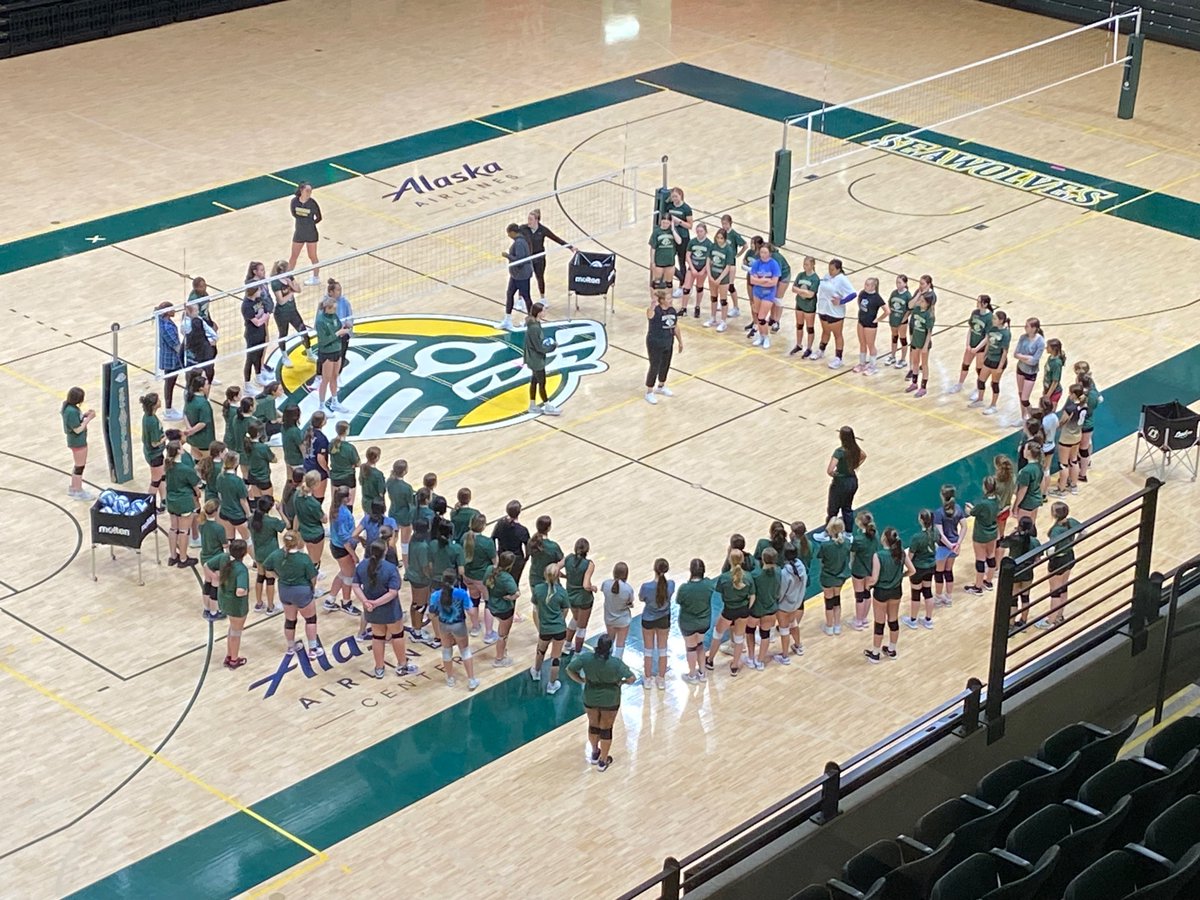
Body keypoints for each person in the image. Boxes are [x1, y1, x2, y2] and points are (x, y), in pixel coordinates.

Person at [566, 635, 636, 771]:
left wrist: (580, 680)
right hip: (610, 699)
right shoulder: (616, 663)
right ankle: (603, 761)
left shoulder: (586, 658)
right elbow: (631, 678)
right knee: (606, 729)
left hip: (590, 696)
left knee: (593, 725)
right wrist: (621, 682)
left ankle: (594, 752)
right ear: (610, 648)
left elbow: (569, 669)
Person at [354, 539, 419, 678]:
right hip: (390, 609)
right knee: (397, 636)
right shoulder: (390, 568)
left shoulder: (361, 566)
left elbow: (355, 586)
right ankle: (402, 665)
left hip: (371, 610)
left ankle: (379, 668)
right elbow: (393, 592)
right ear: (385, 552)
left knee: (377, 637)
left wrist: (366, 602)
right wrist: (376, 603)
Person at [264, 530, 324, 660]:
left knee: (290, 620)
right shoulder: (303, 559)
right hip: (302, 591)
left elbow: (267, 567)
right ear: (298, 542)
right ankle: (313, 649)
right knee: (310, 619)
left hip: (284, 590)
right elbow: (313, 577)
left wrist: (278, 577)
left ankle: (290, 647)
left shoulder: (276, 555)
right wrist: (312, 589)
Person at [865, 527, 914, 662]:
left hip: (881, 592)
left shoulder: (878, 555)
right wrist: (901, 576)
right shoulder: (901, 553)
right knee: (893, 620)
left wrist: (867, 585)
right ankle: (892, 650)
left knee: (879, 623)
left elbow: (874, 579)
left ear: (884, 539)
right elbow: (912, 570)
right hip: (896, 591)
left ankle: (875, 653)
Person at [704, 549, 755, 676]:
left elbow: (720, 593)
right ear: (743, 560)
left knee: (717, 633)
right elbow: (752, 596)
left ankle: (710, 660)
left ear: (729, 560)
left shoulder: (724, 578)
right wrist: (747, 608)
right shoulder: (748, 576)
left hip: (728, 610)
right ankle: (735, 665)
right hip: (743, 611)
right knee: (739, 638)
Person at [429, 569, 479, 690]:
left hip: (443, 625)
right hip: (459, 625)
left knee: (446, 650)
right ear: (455, 580)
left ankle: (450, 678)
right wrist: (475, 623)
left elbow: (431, 615)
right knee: (465, 651)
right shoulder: (461, 593)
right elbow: (471, 611)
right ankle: (471, 680)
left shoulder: (435, 595)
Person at [207, 538, 250, 669]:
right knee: (236, 632)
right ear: (244, 553)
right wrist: (247, 590)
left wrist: (215, 578)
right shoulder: (241, 569)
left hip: (224, 599)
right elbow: (240, 591)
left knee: (232, 629)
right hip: (236, 605)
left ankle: (229, 655)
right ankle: (234, 660)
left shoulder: (223, 558)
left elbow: (207, 565)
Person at [1041, 501, 1082, 630]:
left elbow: (1052, 549)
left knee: (1055, 591)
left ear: (1054, 514)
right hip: (1069, 556)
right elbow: (1084, 531)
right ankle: (1059, 616)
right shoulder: (1072, 522)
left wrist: (1049, 556)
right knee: (1064, 587)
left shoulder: (1055, 531)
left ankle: (1050, 621)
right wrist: (1073, 543)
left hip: (1058, 561)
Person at [530, 563, 568, 694]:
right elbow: (565, 610)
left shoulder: (538, 589)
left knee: (541, 650)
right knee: (556, 657)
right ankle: (552, 685)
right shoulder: (562, 592)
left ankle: (536, 671)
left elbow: (535, 608)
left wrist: (540, 625)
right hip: (559, 629)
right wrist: (559, 622)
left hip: (545, 629)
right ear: (559, 576)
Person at [674, 559, 714, 681]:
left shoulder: (684, 588)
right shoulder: (708, 584)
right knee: (700, 645)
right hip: (704, 622)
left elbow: (678, 601)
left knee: (690, 648)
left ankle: (692, 674)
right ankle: (702, 673)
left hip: (688, 623)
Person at [519, 208, 570, 303]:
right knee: (524, 278)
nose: (528, 221)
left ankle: (543, 298)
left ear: (537, 220)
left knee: (540, 277)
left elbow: (557, 239)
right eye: (528, 219)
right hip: (528, 259)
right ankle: (520, 300)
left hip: (539, 258)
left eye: (531, 219)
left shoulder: (543, 230)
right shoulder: (523, 228)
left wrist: (571, 247)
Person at [164, 441, 201, 568]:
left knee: (173, 528)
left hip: (171, 501)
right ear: (179, 451)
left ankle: (173, 556)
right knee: (184, 531)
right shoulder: (186, 470)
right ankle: (183, 559)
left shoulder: (167, 465)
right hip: (184, 502)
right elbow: (196, 487)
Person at [638, 558, 674, 689]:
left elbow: (641, 598)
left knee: (648, 650)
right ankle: (661, 679)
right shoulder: (671, 584)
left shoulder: (646, 587)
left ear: (654, 569)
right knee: (663, 649)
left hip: (648, 619)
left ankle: (647, 679)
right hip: (664, 618)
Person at [815, 258, 857, 368]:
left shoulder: (842, 279)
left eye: (832, 269)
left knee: (837, 335)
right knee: (825, 331)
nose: (830, 271)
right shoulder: (827, 276)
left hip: (835, 311)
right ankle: (821, 350)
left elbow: (853, 294)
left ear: (838, 269)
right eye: (829, 269)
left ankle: (838, 358)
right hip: (823, 308)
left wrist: (841, 301)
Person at [463, 512, 498, 642]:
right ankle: (489, 633)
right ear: (483, 526)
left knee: (474, 600)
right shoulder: (487, 542)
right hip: (481, 577)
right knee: (489, 602)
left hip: (467, 575)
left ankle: (475, 627)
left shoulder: (464, 537)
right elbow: (495, 562)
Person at [964, 476, 1001, 596]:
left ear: (985, 487)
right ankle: (988, 582)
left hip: (981, 534)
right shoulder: (997, 499)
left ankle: (978, 587)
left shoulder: (982, 503)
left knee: (980, 560)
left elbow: (972, 513)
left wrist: (969, 509)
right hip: (993, 532)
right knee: (991, 556)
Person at [645, 287, 683, 404]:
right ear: (662, 300)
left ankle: (661, 386)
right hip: (655, 342)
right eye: (668, 298)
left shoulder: (672, 310)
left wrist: (680, 341)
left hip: (668, 341)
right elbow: (649, 315)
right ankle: (649, 392)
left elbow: (675, 326)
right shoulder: (656, 310)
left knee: (666, 364)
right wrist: (652, 304)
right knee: (654, 365)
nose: (671, 300)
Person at [269, 259, 311, 366]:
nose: (290, 270)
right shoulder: (275, 283)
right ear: (282, 271)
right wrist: (292, 291)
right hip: (281, 314)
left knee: (303, 331)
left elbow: (299, 289)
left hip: (293, 311)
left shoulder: (290, 277)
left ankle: (309, 354)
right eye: (288, 269)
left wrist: (291, 286)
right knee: (283, 334)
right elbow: (281, 301)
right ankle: (285, 357)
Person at [522, 302, 561, 415]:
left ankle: (532, 405)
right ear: (539, 313)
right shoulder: (535, 328)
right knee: (542, 383)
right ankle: (547, 406)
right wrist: (553, 347)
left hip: (533, 358)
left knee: (534, 381)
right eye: (544, 311)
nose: (545, 312)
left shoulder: (534, 324)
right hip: (536, 359)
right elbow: (539, 347)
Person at [1003, 516, 1040, 632]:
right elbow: (1037, 559)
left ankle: (1010, 624)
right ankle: (1023, 621)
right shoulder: (1035, 541)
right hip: (1028, 572)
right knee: (1025, 597)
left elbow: (1002, 544)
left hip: (1015, 572)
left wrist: (1013, 532)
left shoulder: (1015, 539)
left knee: (1013, 599)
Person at [315, 294, 351, 415]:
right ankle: (321, 405)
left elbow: (338, 329)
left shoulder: (334, 316)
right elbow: (323, 340)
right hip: (326, 353)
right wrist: (338, 333)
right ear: (327, 308)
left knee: (335, 376)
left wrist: (345, 328)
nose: (336, 311)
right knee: (326, 379)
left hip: (337, 350)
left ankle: (335, 401)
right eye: (334, 308)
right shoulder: (320, 321)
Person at [241, 262, 274, 395]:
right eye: (259, 289)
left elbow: (265, 311)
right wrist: (264, 317)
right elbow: (257, 322)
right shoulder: (246, 306)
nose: (261, 290)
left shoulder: (257, 300)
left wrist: (264, 316)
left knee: (259, 355)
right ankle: (247, 384)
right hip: (252, 334)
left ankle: (259, 376)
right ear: (254, 291)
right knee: (250, 358)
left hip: (260, 332)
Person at [248, 495, 284, 612]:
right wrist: (280, 511)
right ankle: (270, 607)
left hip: (258, 553)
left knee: (260, 577)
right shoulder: (272, 522)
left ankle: (259, 604)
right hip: (271, 554)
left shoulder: (252, 519)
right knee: (270, 580)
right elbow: (286, 525)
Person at [951, 295, 993, 394]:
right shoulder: (975, 313)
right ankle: (959, 384)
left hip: (981, 347)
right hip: (971, 345)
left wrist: (977, 348)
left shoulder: (990, 317)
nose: (977, 303)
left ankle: (979, 389)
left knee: (979, 369)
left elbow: (987, 337)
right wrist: (968, 344)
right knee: (965, 365)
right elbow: (971, 329)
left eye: (979, 302)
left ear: (985, 304)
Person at [827, 425, 865, 534]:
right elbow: (864, 456)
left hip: (840, 483)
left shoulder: (839, 452)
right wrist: (854, 466)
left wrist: (836, 474)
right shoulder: (855, 448)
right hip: (852, 481)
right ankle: (849, 533)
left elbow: (829, 470)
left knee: (833, 510)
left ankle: (828, 532)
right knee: (847, 509)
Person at [484, 551, 520, 666]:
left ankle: (502, 651)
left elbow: (485, 582)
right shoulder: (507, 578)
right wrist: (508, 597)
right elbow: (516, 594)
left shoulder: (490, 569)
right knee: (503, 635)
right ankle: (499, 659)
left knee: (501, 631)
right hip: (504, 609)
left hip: (491, 604)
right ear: (510, 565)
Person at [904, 510, 938, 629]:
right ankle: (928, 619)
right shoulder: (935, 532)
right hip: (931, 566)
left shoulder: (917, 537)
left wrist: (906, 568)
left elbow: (910, 556)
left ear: (921, 520)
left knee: (916, 593)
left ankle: (913, 620)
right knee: (927, 591)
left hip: (918, 568)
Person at [817, 518, 852, 635]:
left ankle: (829, 626)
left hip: (827, 576)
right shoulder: (847, 543)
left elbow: (821, 561)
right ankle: (837, 626)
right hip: (840, 577)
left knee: (829, 602)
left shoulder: (825, 545)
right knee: (837, 600)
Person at [62, 386, 97, 500]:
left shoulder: (69, 407)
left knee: (78, 465)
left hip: (76, 441)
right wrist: (89, 419)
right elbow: (77, 429)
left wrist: (84, 415)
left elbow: (76, 421)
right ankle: (78, 490)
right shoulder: (71, 411)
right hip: (78, 442)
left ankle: (73, 487)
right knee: (79, 467)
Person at [933, 486, 966, 607]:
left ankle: (938, 597)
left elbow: (940, 534)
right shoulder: (958, 508)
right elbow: (964, 527)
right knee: (949, 571)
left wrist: (949, 545)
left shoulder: (938, 513)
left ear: (942, 496)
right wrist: (958, 543)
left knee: (939, 572)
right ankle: (949, 597)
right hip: (955, 546)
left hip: (943, 547)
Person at [405, 518, 437, 646]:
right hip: (420, 578)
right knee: (420, 606)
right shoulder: (423, 546)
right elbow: (425, 568)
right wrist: (431, 576)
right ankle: (417, 634)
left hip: (412, 574)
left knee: (415, 604)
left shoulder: (413, 538)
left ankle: (415, 628)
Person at [973, 309, 1011, 416]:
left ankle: (993, 406)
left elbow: (1005, 352)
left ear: (1001, 320)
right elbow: (988, 343)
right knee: (981, 380)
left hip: (998, 361)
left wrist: (1000, 367)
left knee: (994, 383)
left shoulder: (1006, 333)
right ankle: (980, 399)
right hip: (989, 359)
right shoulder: (992, 328)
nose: (993, 320)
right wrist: (984, 356)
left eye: (995, 318)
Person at [562, 538, 596, 655]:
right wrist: (593, 588)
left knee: (575, 619)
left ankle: (566, 645)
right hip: (583, 598)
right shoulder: (589, 564)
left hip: (570, 595)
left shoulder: (568, 558)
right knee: (582, 626)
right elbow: (586, 585)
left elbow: (555, 569)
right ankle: (577, 653)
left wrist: (565, 577)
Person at [748, 547, 780, 669]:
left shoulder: (755, 575)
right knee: (765, 634)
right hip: (770, 608)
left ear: (763, 559)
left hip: (756, 609)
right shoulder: (779, 572)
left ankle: (751, 658)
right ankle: (760, 661)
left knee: (750, 631)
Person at [1053, 383, 1087, 496]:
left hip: (1067, 437)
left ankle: (1061, 490)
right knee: (1074, 461)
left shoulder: (1070, 408)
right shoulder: (1085, 405)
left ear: (1073, 394)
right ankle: (1073, 485)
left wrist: (1056, 427)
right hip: (1077, 435)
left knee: (1063, 464)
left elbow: (1062, 421)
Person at [1012, 317, 1046, 427]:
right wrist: (1026, 357)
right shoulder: (1023, 337)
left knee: (1025, 398)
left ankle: (1034, 415)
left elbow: (1034, 361)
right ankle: (1023, 417)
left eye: (1027, 326)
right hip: (1020, 368)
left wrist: (1022, 357)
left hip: (1031, 372)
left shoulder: (1040, 342)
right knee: (1020, 394)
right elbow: (1016, 354)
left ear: (1034, 328)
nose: (1025, 327)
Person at [499, 222, 534, 331]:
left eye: (509, 233)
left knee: (526, 297)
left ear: (513, 232)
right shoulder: (520, 241)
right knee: (509, 294)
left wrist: (507, 255)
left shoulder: (519, 243)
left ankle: (531, 321)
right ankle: (507, 320)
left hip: (522, 275)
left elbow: (520, 260)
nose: (508, 236)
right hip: (515, 275)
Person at [776, 545, 807, 660]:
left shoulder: (785, 573)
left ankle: (784, 656)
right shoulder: (801, 566)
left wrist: (777, 602)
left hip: (785, 605)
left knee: (784, 629)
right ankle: (798, 645)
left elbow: (781, 591)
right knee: (793, 623)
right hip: (796, 603)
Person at [850, 511, 880, 630]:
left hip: (859, 569)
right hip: (871, 567)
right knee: (867, 594)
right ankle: (863, 618)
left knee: (859, 596)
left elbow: (852, 554)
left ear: (859, 522)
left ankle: (858, 621)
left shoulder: (858, 539)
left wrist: (851, 564)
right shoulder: (876, 534)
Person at [288, 182, 322, 285]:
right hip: (299, 233)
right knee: (294, 256)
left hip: (311, 233)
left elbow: (319, 217)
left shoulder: (312, 203)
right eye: (307, 191)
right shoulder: (294, 202)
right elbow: (294, 214)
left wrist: (311, 224)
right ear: (301, 190)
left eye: (310, 191)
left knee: (312, 256)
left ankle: (316, 278)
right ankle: (288, 277)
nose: (309, 193)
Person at [747, 242, 781, 349]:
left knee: (762, 317)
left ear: (770, 253)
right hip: (757, 293)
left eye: (765, 252)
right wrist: (765, 280)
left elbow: (774, 282)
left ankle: (766, 337)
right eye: (761, 252)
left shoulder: (774, 264)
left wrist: (759, 280)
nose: (763, 254)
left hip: (768, 294)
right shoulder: (756, 263)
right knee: (757, 315)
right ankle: (761, 336)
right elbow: (752, 280)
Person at [197, 499, 226, 617]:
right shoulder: (219, 528)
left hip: (204, 557)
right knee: (215, 583)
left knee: (207, 582)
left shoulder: (202, 525)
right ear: (215, 512)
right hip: (215, 558)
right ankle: (215, 611)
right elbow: (224, 545)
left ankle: (207, 608)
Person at [601, 561, 635, 663]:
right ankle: (617, 664)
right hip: (623, 620)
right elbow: (630, 602)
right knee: (620, 644)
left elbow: (606, 593)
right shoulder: (628, 588)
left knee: (609, 642)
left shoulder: (605, 584)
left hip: (609, 619)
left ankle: (606, 662)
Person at [155, 302, 184, 417]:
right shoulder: (166, 326)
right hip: (170, 359)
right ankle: (168, 409)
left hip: (171, 357)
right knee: (170, 383)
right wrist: (183, 354)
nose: (175, 311)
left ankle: (169, 408)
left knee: (170, 382)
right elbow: (175, 344)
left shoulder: (165, 322)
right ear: (167, 312)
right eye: (172, 309)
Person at [703, 227, 735, 332]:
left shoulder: (728, 249)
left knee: (723, 300)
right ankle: (713, 318)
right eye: (718, 237)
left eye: (721, 238)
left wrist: (720, 279)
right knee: (713, 297)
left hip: (723, 278)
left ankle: (723, 322)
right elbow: (708, 260)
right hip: (713, 275)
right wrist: (710, 275)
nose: (719, 240)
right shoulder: (713, 246)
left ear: (725, 239)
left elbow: (728, 267)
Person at [181, 299, 217, 392]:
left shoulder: (199, 320)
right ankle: (189, 393)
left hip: (201, 358)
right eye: (196, 311)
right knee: (191, 381)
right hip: (194, 360)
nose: (198, 312)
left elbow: (210, 331)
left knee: (206, 375)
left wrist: (213, 338)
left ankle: (204, 388)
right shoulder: (187, 324)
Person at [492, 500, 530, 586]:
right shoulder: (522, 530)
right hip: (516, 559)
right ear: (519, 512)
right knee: (514, 582)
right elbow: (528, 545)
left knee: (500, 579)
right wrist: (526, 558)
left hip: (502, 555)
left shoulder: (500, 523)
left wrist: (495, 553)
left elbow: (492, 538)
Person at [852, 277, 885, 374]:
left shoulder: (876, 298)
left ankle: (873, 366)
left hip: (870, 324)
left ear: (873, 286)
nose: (865, 286)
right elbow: (859, 301)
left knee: (870, 345)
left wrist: (878, 319)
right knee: (862, 343)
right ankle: (862, 364)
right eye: (865, 284)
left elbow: (887, 311)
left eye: (867, 285)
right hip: (861, 321)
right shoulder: (862, 293)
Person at [294, 470, 328, 567]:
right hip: (316, 533)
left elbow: (296, 514)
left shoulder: (296, 495)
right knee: (315, 561)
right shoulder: (314, 504)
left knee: (310, 556)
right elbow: (324, 520)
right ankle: (312, 577)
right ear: (316, 484)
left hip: (304, 532)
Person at [215, 450, 250, 541]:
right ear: (235, 463)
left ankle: (230, 555)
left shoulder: (220, 476)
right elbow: (243, 501)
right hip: (237, 515)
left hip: (224, 512)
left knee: (230, 540)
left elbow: (220, 495)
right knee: (248, 540)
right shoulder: (238, 481)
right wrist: (249, 514)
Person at [904, 289, 933, 397]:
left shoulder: (929, 315)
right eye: (920, 300)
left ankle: (923, 387)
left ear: (927, 303)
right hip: (916, 339)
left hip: (924, 342)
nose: (920, 302)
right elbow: (910, 307)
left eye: (922, 301)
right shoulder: (916, 310)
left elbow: (929, 332)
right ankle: (914, 383)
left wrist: (925, 346)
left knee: (924, 365)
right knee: (915, 362)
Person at [140, 392, 167, 509]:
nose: (160, 401)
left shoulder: (147, 416)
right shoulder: (152, 421)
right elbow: (154, 443)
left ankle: (164, 500)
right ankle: (149, 506)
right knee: (155, 481)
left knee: (162, 476)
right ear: (154, 405)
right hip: (155, 454)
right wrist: (167, 437)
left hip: (152, 453)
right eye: (158, 400)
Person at [665, 187, 693, 293]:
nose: (674, 198)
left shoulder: (686, 208)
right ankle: (682, 279)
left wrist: (679, 222)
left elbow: (690, 225)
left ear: (681, 195)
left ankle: (683, 286)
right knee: (669, 260)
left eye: (676, 196)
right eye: (672, 197)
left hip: (683, 237)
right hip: (672, 236)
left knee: (682, 261)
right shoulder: (669, 206)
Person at [790, 255, 820, 357]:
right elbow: (793, 288)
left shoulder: (815, 279)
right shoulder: (800, 275)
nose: (805, 266)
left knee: (809, 327)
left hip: (809, 306)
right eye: (804, 264)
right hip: (799, 303)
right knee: (799, 325)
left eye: (807, 264)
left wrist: (800, 291)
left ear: (812, 265)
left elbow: (811, 294)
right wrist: (804, 292)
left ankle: (809, 348)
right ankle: (798, 344)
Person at [386, 459, 415, 562]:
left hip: (393, 512)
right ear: (404, 471)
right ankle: (407, 566)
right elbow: (410, 504)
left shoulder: (389, 482)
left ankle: (394, 561)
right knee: (405, 543)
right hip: (405, 516)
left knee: (393, 539)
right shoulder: (407, 488)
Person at [682, 221, 712, 317]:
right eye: (698, 231)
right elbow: (688, 255)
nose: (699, 233)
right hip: (692, 268)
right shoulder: (692, 242)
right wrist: (692, 268)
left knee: (699, 287)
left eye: (701, 231)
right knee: (686, 288)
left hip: (702, 269)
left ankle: (697, 307)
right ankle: (684, 308)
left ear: (705, 232)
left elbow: (709, 260)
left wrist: (703, 270)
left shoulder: (709, 244)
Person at [719, 214, 747, 316]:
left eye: (725, 224)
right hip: (722, 263)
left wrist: (738, 254)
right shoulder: (722, 233)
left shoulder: (734, 234)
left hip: (731, 264)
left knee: (730, 286)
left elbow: (745, 245)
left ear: (730, 223)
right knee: (721, 284)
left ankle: (736, 308)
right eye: (722, 224)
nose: (724, 226)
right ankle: (722, 300)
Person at [327, 420, 360, 508]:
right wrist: (352, 465)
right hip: (348, 477)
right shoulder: (350, 448)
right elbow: (358, 463)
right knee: (349, 504)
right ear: (346, 431)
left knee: (335, 503)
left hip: (335, 477)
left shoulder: (331, 444)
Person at [1013, 441, 1045, 526]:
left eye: (1025, 449)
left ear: (1029, 452)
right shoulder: (1039, 465)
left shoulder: (1026, 471)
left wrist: (1015, 506)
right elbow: (1042, 483)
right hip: (1036, 499)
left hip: (1027, 503)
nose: (1023, 451)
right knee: (1032, 525)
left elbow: (1022, 491)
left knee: (1023, 527)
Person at [648, 212, 682, 291]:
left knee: (669, 283)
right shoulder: (656, 232)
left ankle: (668, 301)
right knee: (655, 283)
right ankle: (655, 301)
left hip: (670, 261)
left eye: (667, 223)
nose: (665, 224)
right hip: (659, 262)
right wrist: (652, 262)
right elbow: (653, 248)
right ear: (661, 222)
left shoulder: (672, 231)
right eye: (663, 222)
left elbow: (679, 241)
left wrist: (673, 229)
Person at [884, 274, 912, 369]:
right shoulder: (894, 293)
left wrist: (904, 319)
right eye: (897, 282)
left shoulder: (908, 295)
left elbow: (910, 309)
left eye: (900, 283)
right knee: (894, 337)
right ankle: (892, 356)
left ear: (905, 283)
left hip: (902, 321)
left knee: (903, 339)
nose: (898, 284)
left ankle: (903, 359)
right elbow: (889, 303)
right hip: (893, 319)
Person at [1042, 338, 1065, 408]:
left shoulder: (1057, 363)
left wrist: (1048, 395)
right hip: (1047, 389)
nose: (1046, 348)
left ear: (1054, 349)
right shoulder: (1050, 358)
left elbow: (1055, 382)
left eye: (1048, 347)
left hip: (1054, 393)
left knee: (1049, 411)